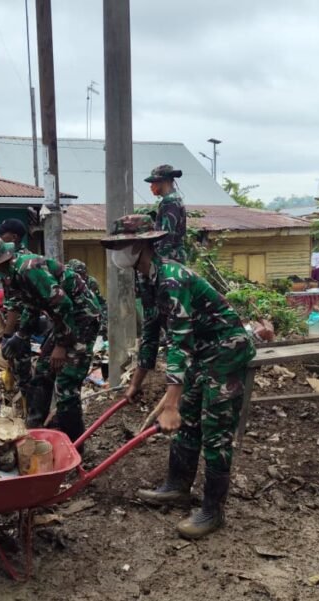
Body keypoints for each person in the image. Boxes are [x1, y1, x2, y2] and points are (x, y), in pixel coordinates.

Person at [100, 214, 255, 540]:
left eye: (121, 245)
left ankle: (212, 512)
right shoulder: (146, 279)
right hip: (201, 351)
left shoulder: (171, 278)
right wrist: (136, 382)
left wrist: (170, 402)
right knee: (187, 421)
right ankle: (177, 486)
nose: (116, 253)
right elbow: (153, 332)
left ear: (141, 245)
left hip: (225, 350)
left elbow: (180, 339)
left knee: (215, 430)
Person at [0, 234, 102, 442]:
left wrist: (61, 345)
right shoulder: (16, 274)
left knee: (65, 384)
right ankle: (35, 429)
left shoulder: (29, 269)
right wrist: (20, 335)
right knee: (43, 371)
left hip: (82, 318)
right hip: (65, 321)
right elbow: (32, 307)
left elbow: (63, 305)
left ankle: (75, 446)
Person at [0, 219, 34, 398]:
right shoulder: (10, 257)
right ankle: (22, 397)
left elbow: (17, 302)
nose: (0, 237)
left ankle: (28, 405)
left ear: (14, 237)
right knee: (16, 363)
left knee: (21, 362)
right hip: (21, 317)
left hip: (24, 318)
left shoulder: (18, 260)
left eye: (3, 233)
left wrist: (8, 334)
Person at [144, 164, 188, 264]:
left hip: (170, 259)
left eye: (154, 182)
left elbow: (167, 234)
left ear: (164, 181)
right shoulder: (174, 199)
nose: (151, 186)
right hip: (174, 256)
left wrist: (159, 259)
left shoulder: (170, 202)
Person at [66, 258, 107, 338]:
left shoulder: (90, 282)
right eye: (79, 273)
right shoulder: (68, 280)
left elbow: (95, 301)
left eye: (83, 273)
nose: (82, 276)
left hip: (88, 309)